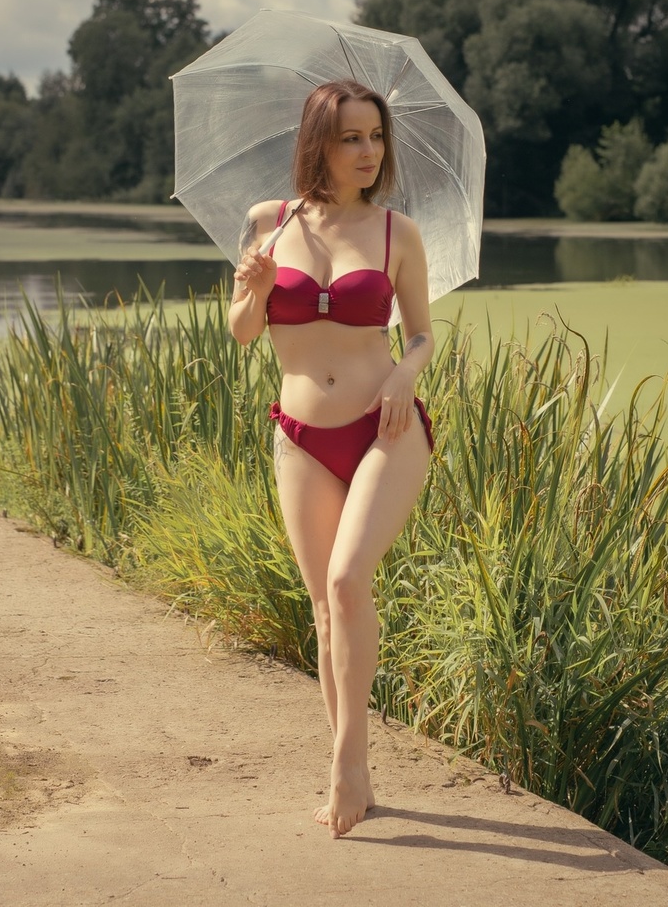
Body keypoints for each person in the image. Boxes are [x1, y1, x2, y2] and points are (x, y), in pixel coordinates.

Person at [228, 79, 435, 838]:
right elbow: (243, 332)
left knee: (349, 583)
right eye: (351, 137)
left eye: (376, 137)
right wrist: (253, 289)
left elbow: (420, 333)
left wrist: (407, 379)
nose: (368, 151)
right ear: (319, 141)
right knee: (323, 609)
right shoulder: (267, 223)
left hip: (386, 427)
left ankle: (348, 764)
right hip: (301, 435)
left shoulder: (395, 233)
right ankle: (357, 767)